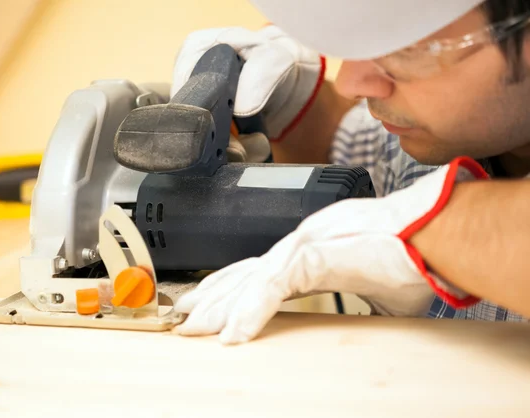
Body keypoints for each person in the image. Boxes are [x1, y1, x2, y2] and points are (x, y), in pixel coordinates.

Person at [170, 0, 530, 344]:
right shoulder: (445, 138)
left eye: (406, 46)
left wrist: (426, 224)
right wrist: (293, 107)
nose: (350, 83)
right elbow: (351, 145)